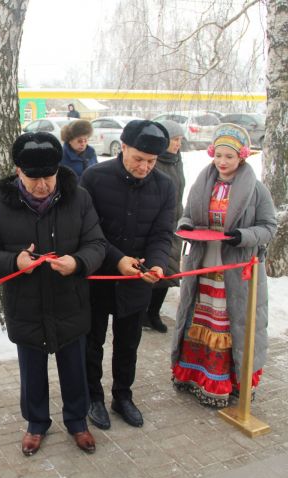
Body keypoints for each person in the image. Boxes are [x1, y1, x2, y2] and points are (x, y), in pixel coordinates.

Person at [0, 132, 106, 456]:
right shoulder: (0, 206)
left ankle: (77, 421)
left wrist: (77, 262)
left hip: (69, 303)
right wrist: (13, 262)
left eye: (48, 176)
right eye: (33, 178)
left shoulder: (79, 199)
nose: (42, 185)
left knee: (74, 370)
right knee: (32, 372)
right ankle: (36, 423)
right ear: (18, 171)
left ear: (57, 170)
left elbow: (97, 244)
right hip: (27, 307)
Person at [172, 123, 277, 408]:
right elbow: (187, 215)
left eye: (228, 156)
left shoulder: (256, 190)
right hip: (203, 267)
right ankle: (196, 376)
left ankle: (228, 382)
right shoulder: (202, 183)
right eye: (218, 155)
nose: (222, 162)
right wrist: (186, 227)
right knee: (199, 320)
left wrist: (242, 237)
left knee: (232, 326)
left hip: (236, 272)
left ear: (241, 157)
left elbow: (269, 227)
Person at [81, 120, 175, 429]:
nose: (145, 167)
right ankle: (92, 395)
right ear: (122, 147)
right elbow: (87, 230)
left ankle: (123, 396)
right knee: (92, 342)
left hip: (137, 281)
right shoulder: (94, 177)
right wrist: (118, 260)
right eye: (139, 159)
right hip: (97, 278)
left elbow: (163, 234)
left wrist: (159, 263)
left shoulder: (164, 186)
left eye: (151, 161)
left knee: (128, 343)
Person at [140, 120, 187, 334]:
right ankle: (143, 314)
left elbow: (180, 191)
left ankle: (153, 313)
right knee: (153, 271)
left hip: (174, 222)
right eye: (175, 140)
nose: (178, 144)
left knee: (168, 274)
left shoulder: (177, 160)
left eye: (179, 140)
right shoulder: (153, 162)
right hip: (156, 225)